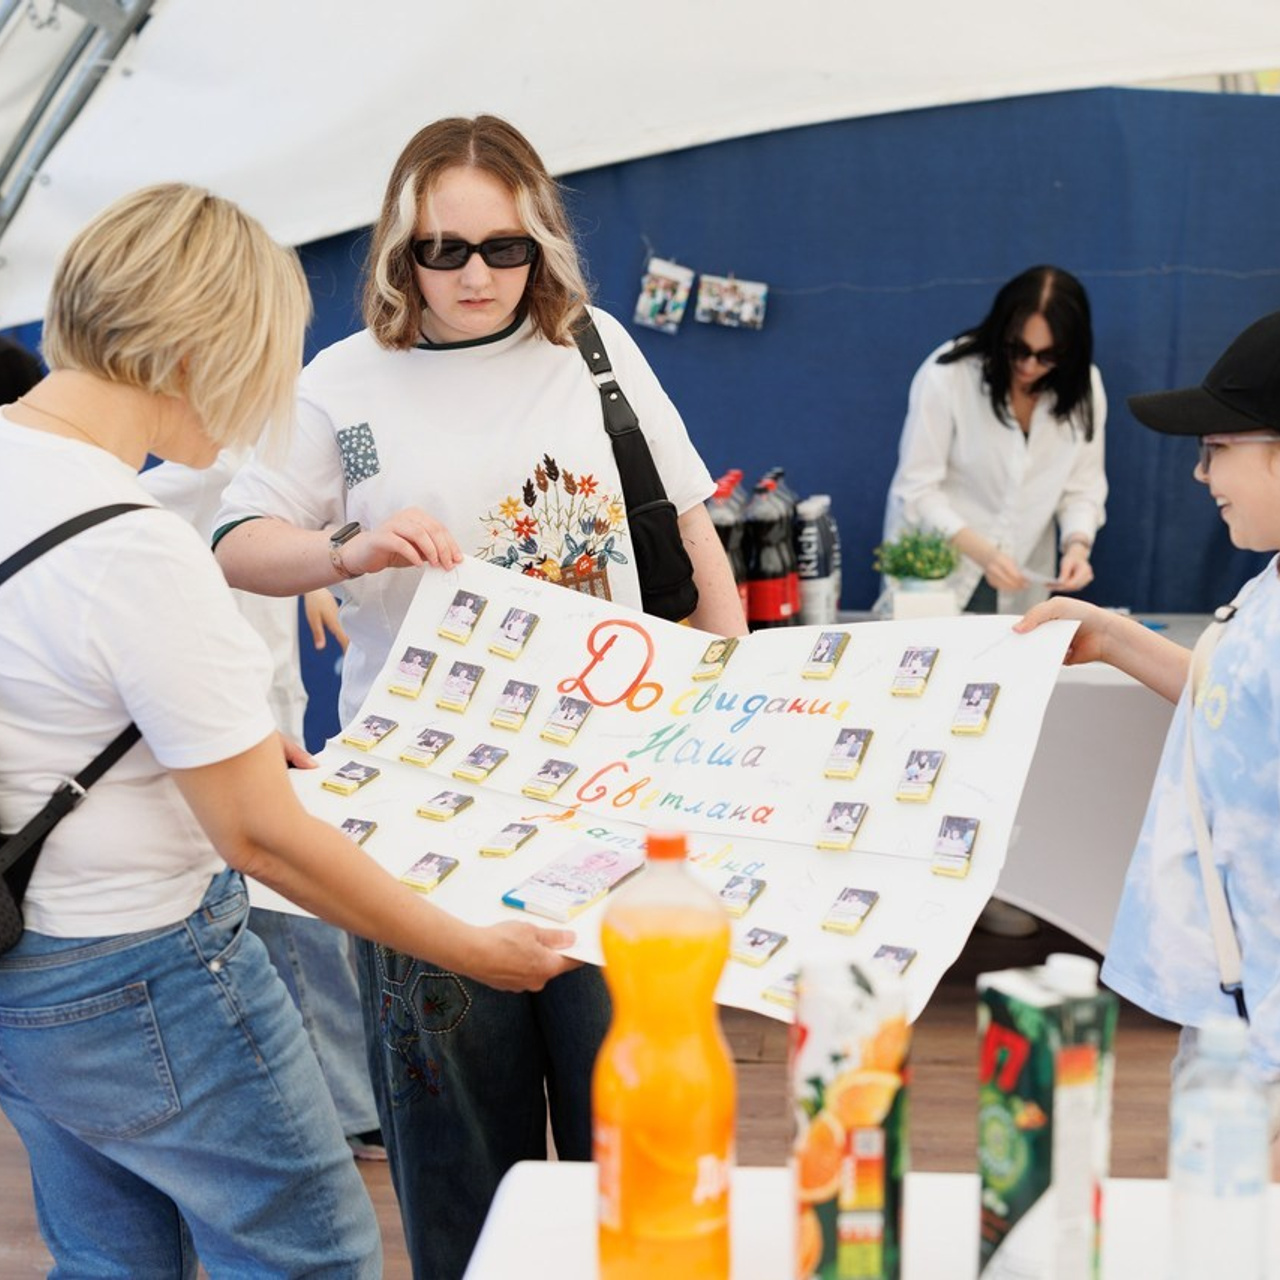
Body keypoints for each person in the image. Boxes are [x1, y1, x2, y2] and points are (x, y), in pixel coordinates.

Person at [0, 183, 574, 1278]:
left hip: (25, 970)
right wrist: (466, 947)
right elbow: (260, 839)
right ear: (194, 348)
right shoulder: (136, 546)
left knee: (108, 1254)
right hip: (147, 968)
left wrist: (215, 745)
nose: (256, 408)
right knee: (308, 1250)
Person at [213, 114, 747, 1278]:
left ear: (541, 244)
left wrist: (726, 714)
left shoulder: (596, 346)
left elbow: (689, 529)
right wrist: (348, 552)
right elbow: (236, 535)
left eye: (502, 249)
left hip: (615, 802)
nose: (473, 276)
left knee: (637, 1126)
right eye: (440, 251)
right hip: (426, 817)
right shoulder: (344, 381)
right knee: (460, 1144)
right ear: (397, 255)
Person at [1016, 309, 1280, 1154]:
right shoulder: (1271, 582)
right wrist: (1116, 640)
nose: (1203, 473)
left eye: (1219, 448)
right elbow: (1233, 705)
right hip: (1234, 1009)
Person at [141, 449, 387, 1162]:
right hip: (234, 735)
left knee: (298, 927)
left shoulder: (257, 463)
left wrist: (311, 575)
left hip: (267, 724)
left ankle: (344, 1101)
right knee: (295, 923)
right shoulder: (180, 484)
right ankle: (345, 1105)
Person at [883, 265, 1108, 616]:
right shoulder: (949, 376)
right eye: (1018, 349)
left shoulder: (1084, 389)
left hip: (1023, 577)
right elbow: (917, 489)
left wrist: (1077, 547)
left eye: (1047, 356)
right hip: (941, 573)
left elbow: (1083, 488)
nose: (1030, 366)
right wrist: (985, 554)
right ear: (999, 330)